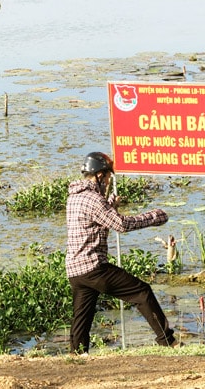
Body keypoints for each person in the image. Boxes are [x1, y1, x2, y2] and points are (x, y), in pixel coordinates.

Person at [66, 151, 179, 354]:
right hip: (94, 267)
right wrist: (155, 217)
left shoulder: (74, 197)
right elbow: (121, 224)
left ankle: (77, 355)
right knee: (142, 292)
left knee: (82, 316)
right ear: (99, 175)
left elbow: (92, 222)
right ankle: (168, 341)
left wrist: (110, 206)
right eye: (108, 177)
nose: (109, 182)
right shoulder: (93, 199)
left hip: (75, 271)